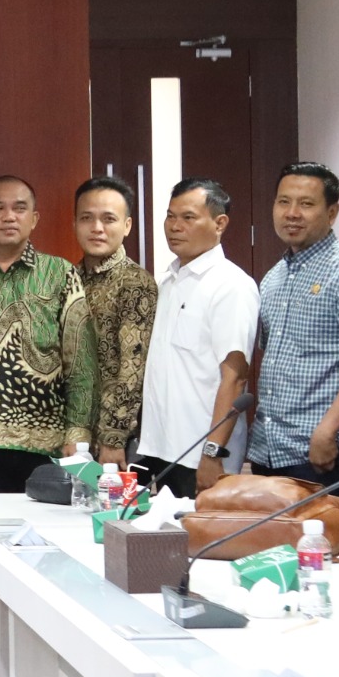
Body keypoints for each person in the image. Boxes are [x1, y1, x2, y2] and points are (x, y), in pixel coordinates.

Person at [245, 162, 339, 491]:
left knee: (323, 528)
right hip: (270, 448)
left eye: (306, 204)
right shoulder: (274, 278)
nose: (292, 213)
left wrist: (327, 430)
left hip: (323, 452)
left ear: (332, 212)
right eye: (284, 202)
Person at [0, 176, 94, 493]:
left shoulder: (60, 273)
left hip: (46, 444)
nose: (9, 216)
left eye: (19, 208)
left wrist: (78, 432)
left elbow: (80, 361)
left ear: (34, 218)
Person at [133, 179, 259, 499]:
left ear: (220, 223)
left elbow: (235, 377)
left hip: (203, 456)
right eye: (170, 216)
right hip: (162, 449)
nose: (175, 227)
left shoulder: (231, 285)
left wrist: (213, 453)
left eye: (188, 217)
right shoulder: (168, 281)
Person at [73, 176, 157, 469]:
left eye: (108, 219)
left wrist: (114, 437)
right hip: (74, 435)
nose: (97, 228)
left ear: (127, 225)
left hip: (116, 442)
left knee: (110, 502)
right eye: (87, 218)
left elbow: (133, 367)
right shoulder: (69, 278)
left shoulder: (135, 283)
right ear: (75, 223)